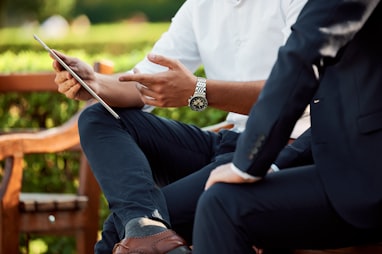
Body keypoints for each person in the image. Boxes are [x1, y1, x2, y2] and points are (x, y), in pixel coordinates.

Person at [52, 0, 309, 253]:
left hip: (280, 149)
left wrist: (199, 91)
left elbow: (292, 92)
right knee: (98, 117)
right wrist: (94, 83)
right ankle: (146, 227)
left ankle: (146, 229)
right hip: (227, 142)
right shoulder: (200, 6)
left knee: (117, 234)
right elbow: (144, 83)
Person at [191, 0, 382, 253]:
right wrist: (272, 163)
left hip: (366, 176)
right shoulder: (199, 8)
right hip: (344, 164)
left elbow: (302, 55)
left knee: (222, 204)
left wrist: (247, 164)